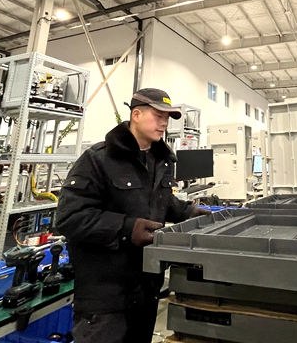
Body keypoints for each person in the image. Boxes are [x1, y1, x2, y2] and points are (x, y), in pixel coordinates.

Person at [56, 88, 211, 343]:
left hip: (147, 287)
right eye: (158, 116)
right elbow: (69, 217)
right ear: (136, 115)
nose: (164, 123)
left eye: (167, 117)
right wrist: (126, 228)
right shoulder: (98, 159)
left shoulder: (160, 160)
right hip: (106, 295)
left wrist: (187, 212)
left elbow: (159, 199)